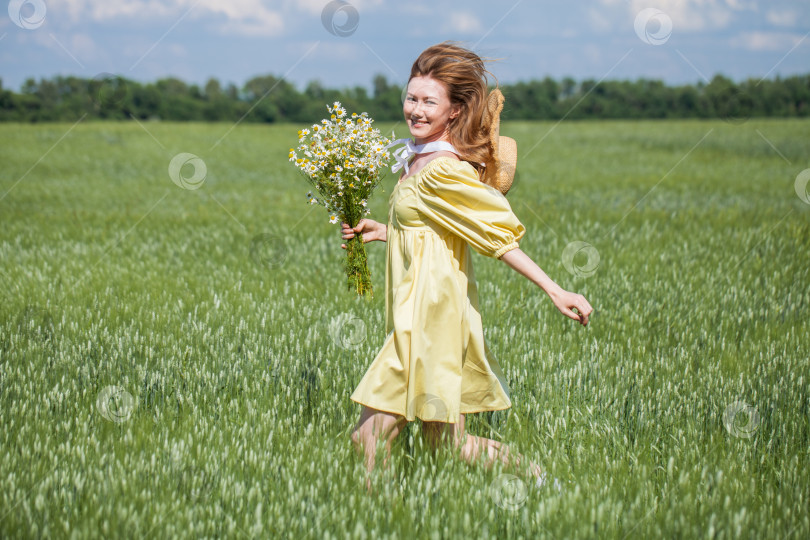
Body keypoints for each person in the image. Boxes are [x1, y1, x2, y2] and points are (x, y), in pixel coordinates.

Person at [340, 41, 592, 493]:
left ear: (454, 111)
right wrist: (385, 230)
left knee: (369, 439)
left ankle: (369, 519)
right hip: (415, 315)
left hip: (428, 321)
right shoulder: (416, 159)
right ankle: (539, 479)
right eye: (411, 98)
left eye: (427, 101)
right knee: (445, 445)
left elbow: (496, 237)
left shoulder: (442, 169)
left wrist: (556, 290)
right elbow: (431, 230)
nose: (414, 109)